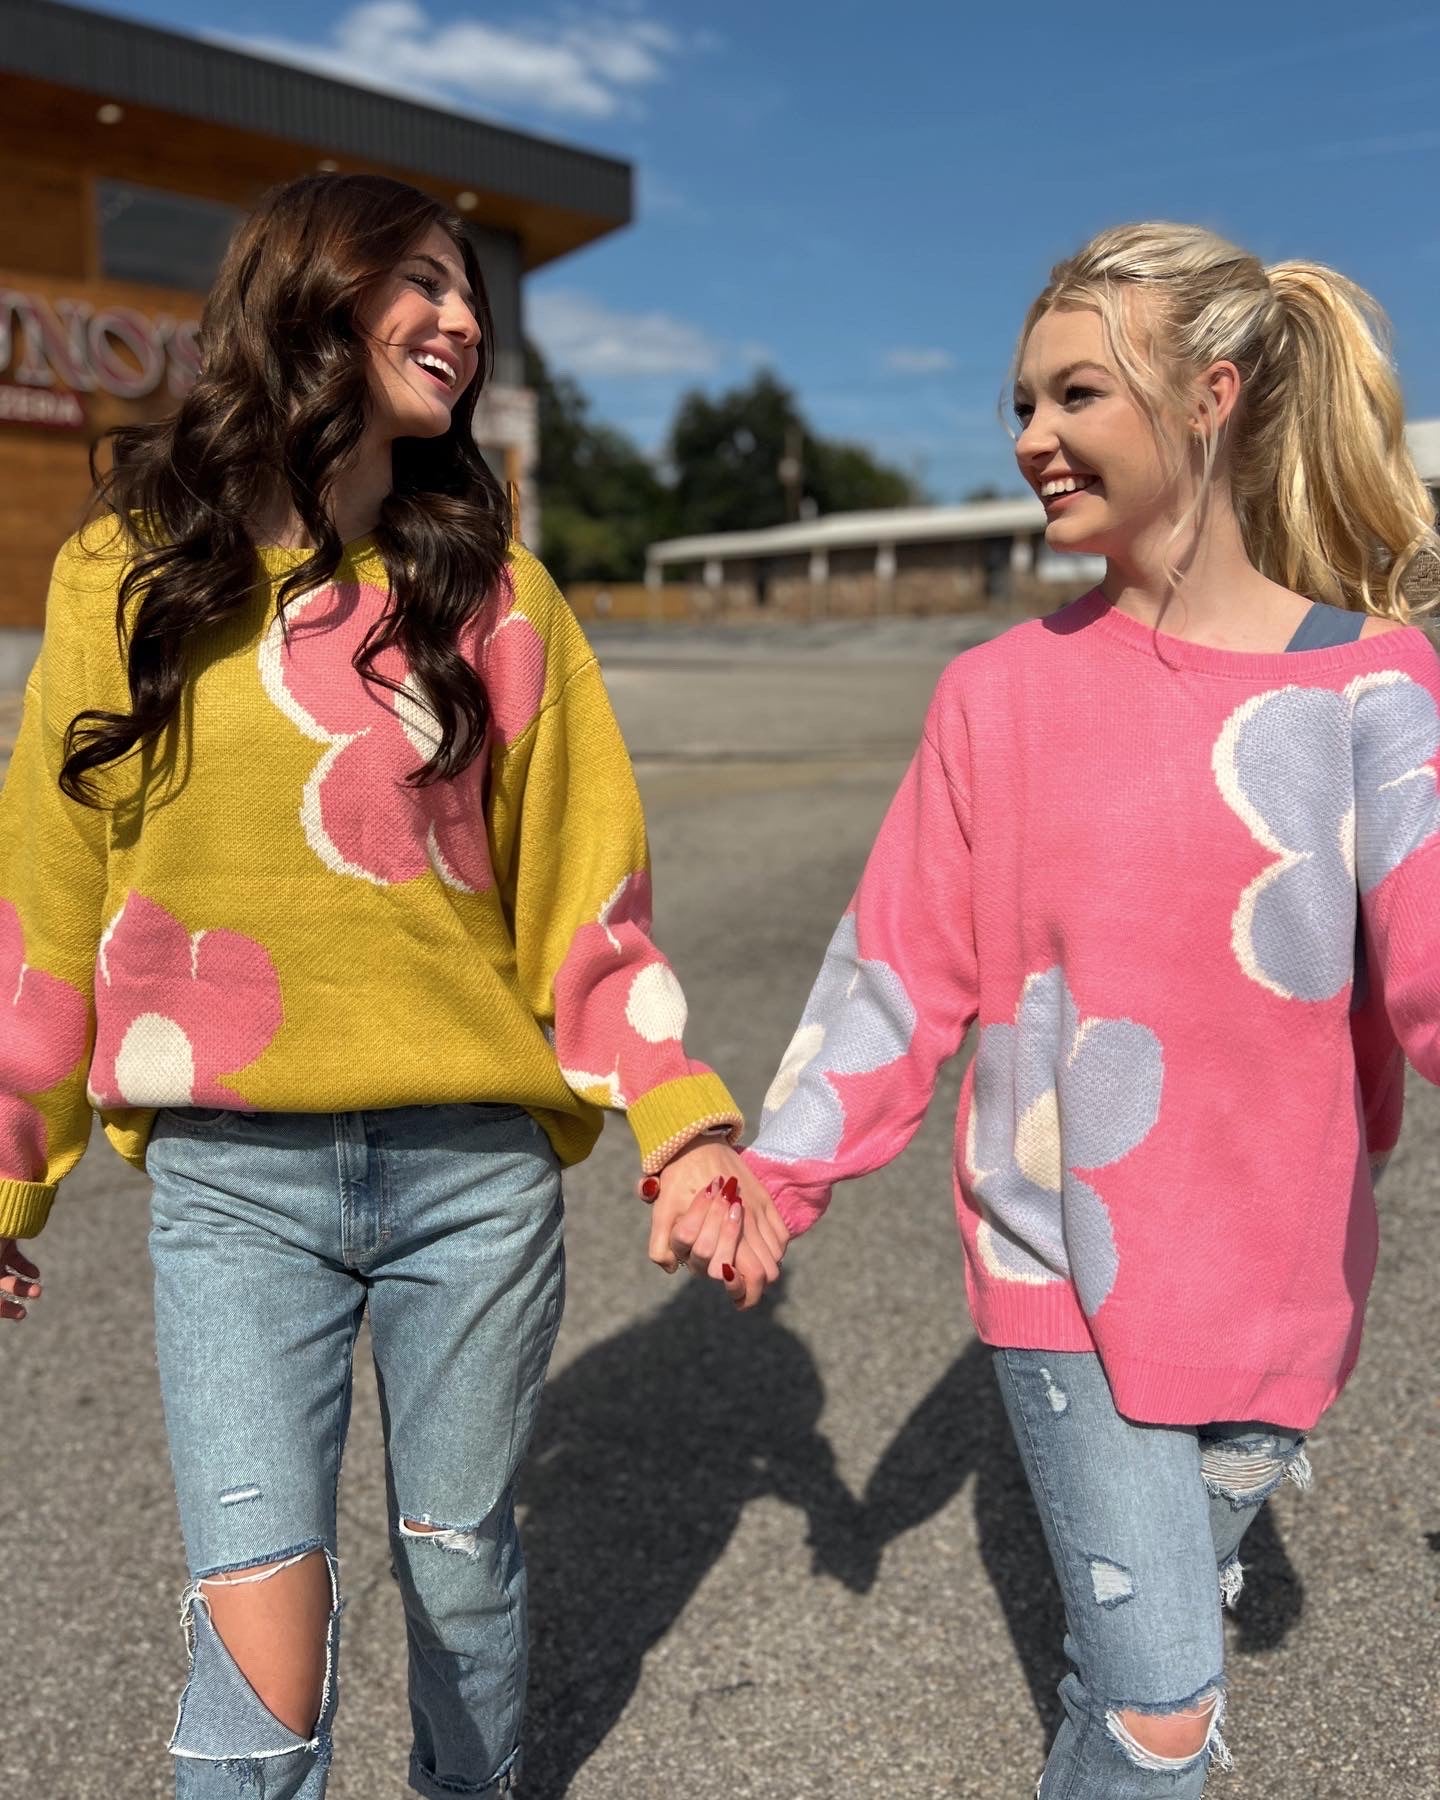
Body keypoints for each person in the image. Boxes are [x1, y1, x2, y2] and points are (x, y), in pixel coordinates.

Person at [0, 171, 783, 1800]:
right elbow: (48, 910)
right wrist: (7, 1170)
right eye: (417, 281)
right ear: (311, 301)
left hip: (471, 1184)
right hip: (231, 1188)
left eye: (471, 293)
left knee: (465, 1566)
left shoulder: (496, 605)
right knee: (255, 1621)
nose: (463, 318)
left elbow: (590, 909)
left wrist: (683, 1122)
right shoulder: (119, 583)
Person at [669, 222, 1440, 1795]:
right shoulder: (994, 697)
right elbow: (896, 962)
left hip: (1283, 1275)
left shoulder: (1373, 685)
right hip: (1058, 1261)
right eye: (1022, 402)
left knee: (1139, 1668)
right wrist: (783, 1172)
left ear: (1213, 395)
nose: (1031, 438)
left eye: (1075, 394)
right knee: (1164, 1701)